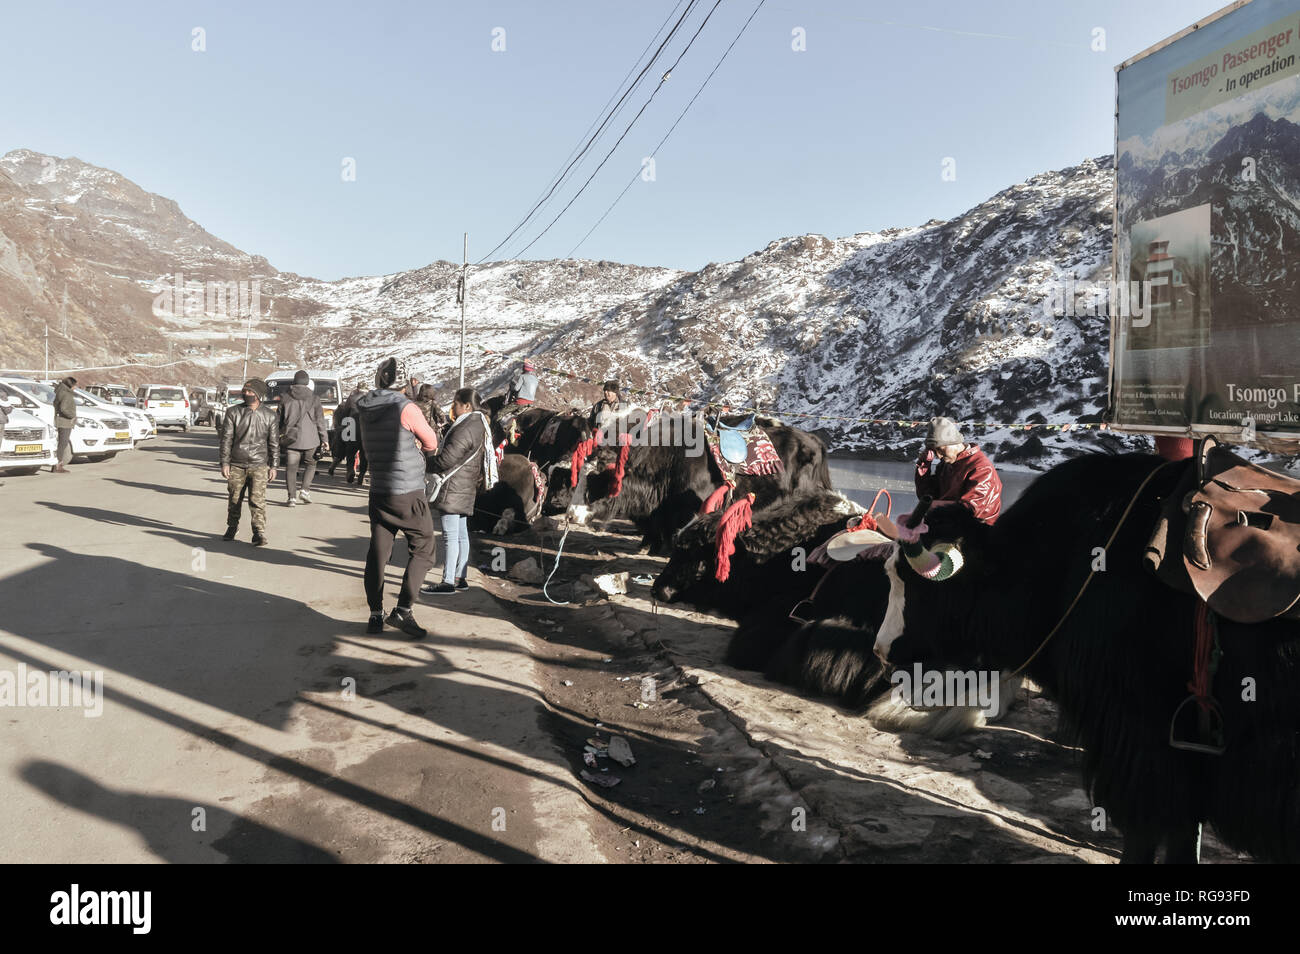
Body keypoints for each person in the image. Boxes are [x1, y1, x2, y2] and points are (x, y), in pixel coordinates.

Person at [356, 357, 440, 638]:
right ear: (404, 383)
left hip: (379, 490)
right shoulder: (406, 408)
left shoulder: (364, 407)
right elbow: (431, 442)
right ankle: (403, 611)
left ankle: (375, 614)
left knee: (378, 553)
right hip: (408, 491)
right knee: (424, 549)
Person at [422, 387, 490, 596]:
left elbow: (447, 459)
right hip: (465, 486)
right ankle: (461, 577)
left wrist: (428, 460)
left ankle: (448, 581)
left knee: (450, 536)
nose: (453, 408)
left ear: (467, 406)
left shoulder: (466, 427)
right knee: (461, 534)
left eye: (456, 404)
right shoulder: (478, 424)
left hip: (453, 488)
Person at [220, 379, 279, 545]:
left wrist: (274, 466)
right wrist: (225, 463)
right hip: (237, 464)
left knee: (257, 500)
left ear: (258, 394)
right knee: (234, 499)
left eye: (250, 392)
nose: (246, 394)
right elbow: (226, 440)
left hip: (259, 465)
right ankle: (232, 527)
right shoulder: (233, 412)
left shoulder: (270, 416)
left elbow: (274, 443)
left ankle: (258, 532)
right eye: (244, 391)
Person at [914, 416, 1003, 524]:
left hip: (976, 531)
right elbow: (926, 496)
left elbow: (969, 510)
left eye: (940, 449)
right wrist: (924, 466)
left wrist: (932, 506)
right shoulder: (946, 465)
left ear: (954, 442)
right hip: (949, 525)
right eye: (933, 450)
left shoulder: (982, 468)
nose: (938, 456)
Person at [278, 370, 329, 505]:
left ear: (294, 382)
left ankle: (291, 498)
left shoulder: (285, 397)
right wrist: (325, 440)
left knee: (291, 468)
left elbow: (279, 420)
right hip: (311, 439)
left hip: (291, 439)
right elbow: (320, 421)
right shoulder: (314, 398)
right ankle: (305, 490)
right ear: (307, 382)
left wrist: (276, 437)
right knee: (311, 464)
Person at [52, 376, 77, 474]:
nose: (75, 387)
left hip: (60, 420)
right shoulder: (66, 394)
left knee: (61, 443)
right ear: (70, 385)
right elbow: (64, 409)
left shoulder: (60, 391)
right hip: (65, 422)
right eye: (74, 385)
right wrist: (72, 416)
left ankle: (57, 464)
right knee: (63, 443)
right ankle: (58, 465)